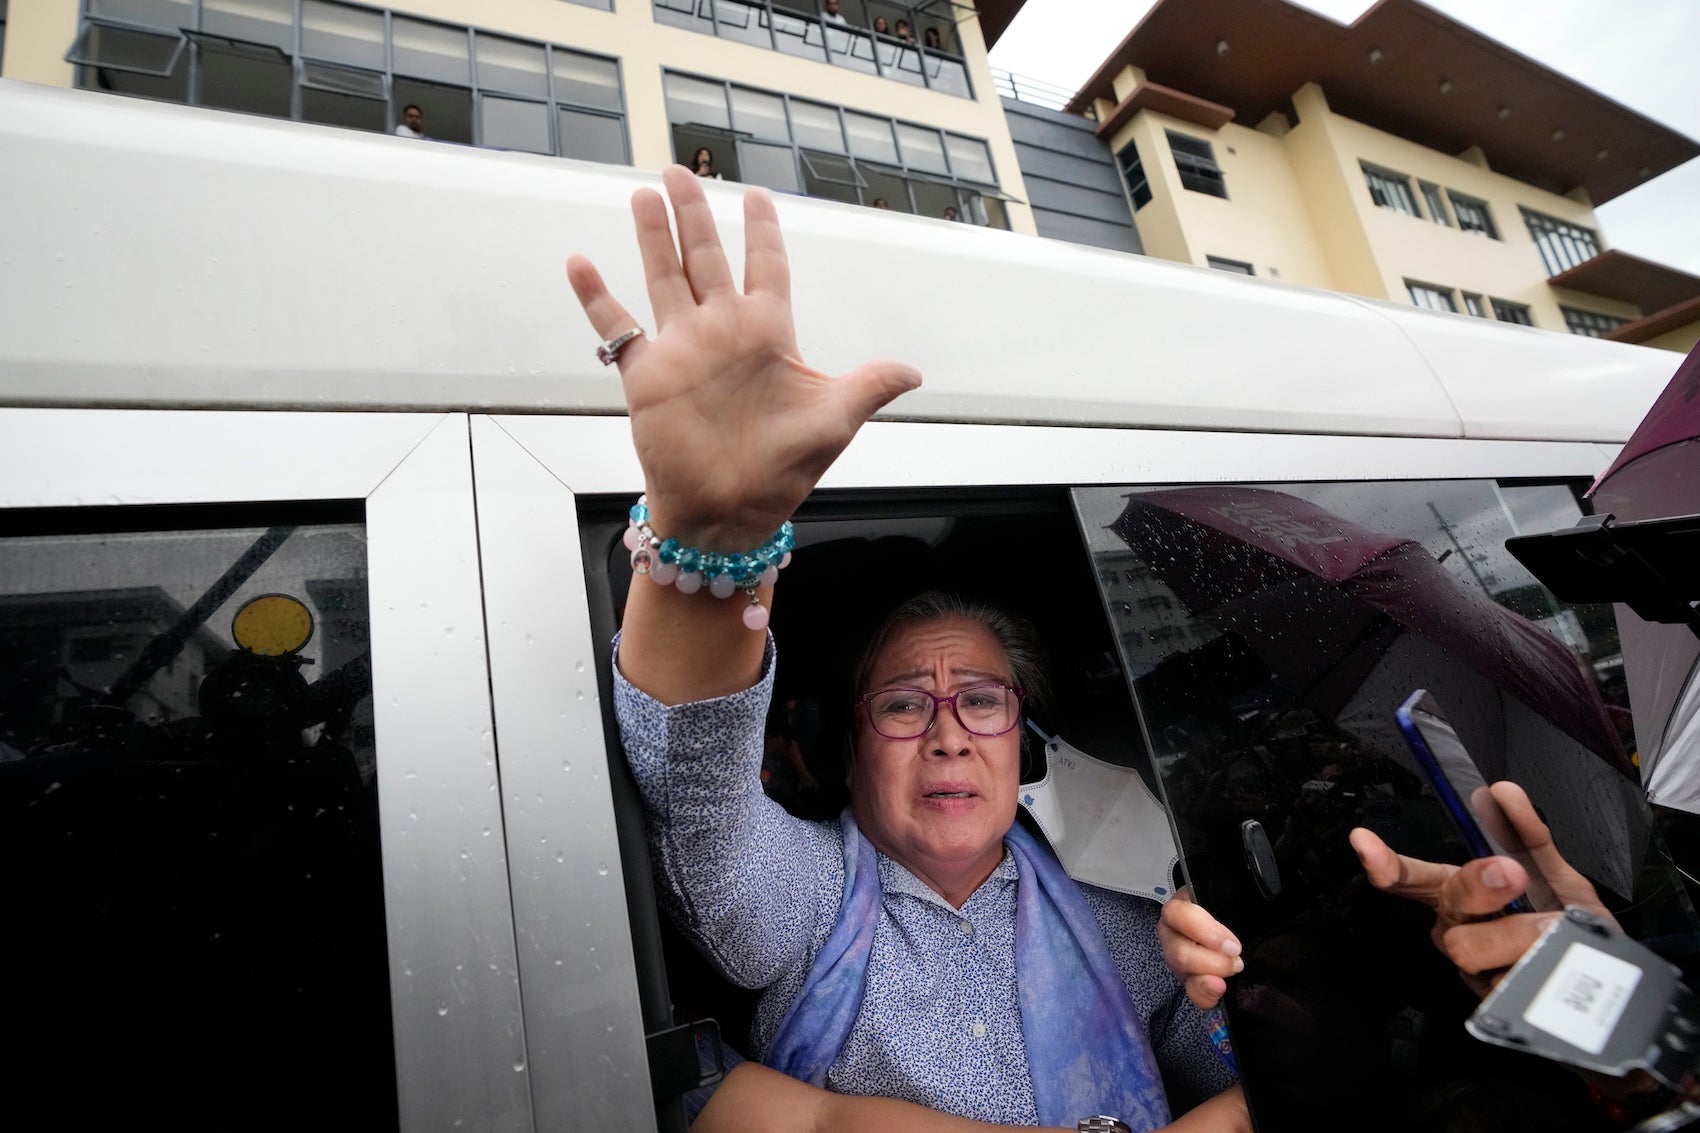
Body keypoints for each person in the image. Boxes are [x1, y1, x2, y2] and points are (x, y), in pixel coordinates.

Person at [565, 167, 1245, 1131]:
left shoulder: (1127, 921)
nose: (948, 733)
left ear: (1023, 735)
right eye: (902, 702)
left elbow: (1224, 1072)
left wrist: (1227, 1001)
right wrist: (712, 535)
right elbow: (699, 780)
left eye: (981, 698)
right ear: (852, 741)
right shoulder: (802, 902)